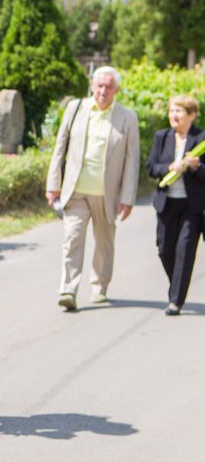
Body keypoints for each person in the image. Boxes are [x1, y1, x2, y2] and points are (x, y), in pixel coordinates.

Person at [46, 66, 140, 311]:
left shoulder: (127, 117)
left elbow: (132, 160)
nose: (103, 90)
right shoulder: (76, 108)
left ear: (116, 90)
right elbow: (60, 148)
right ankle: (68, 289)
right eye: (99, 85)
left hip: (107, 193)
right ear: (92, 85)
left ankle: (99, 286)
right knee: (72, 238)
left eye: (109, 86)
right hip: (76, 190)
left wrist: (128, 198)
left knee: (104, 242)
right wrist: (53, 184)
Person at [146, 95, 205, 315]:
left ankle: (176, 301)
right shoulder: (161, 137)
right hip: (167, 203)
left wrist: (197, 166)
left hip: (192, 207)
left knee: (185, 250)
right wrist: (169, 167)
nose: (174, 115)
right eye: (172, 111)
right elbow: (151, 167)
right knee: (165, 250)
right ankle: (177, 286)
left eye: (179, 111)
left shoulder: (201, 139)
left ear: (191, 115)